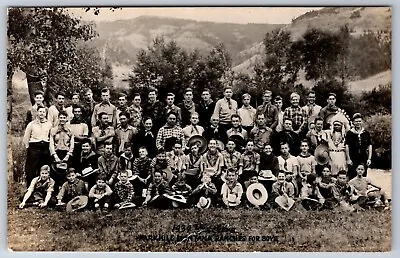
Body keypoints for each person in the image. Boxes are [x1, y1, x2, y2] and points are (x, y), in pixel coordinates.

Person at [23, 105, 52, 187]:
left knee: (44, 168)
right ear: (37, 113)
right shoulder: (31, 124)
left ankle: (44, 188)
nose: (42, 113)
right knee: (31, 169)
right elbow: (26, 137)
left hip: (45, 148)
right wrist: (28, 148)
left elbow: (51, 136)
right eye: (40, 111)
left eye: (43, 112)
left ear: (46, 113)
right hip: (34, 148)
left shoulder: (49, 124)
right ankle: (30, 188)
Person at [49, 110, 75, 192]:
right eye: (61, 118)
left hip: (66, 154)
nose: (62, 119)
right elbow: (51, 143)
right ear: (58, 118)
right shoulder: (53, 130)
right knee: (55, 174)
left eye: (64, 118)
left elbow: (72, 144)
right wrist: (55, 155)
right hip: (57, 153)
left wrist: (68, 155)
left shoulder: (70, 130)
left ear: (67, 119)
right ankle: (56, 193)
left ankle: (67, 193)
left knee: (67, 174)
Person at [345, 113, 372, 179]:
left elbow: (369, 145)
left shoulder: (366, 133)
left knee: (363, 176)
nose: (358, 123)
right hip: (353, 158)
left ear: (362, 121)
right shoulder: (349, 133)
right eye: (356, 121)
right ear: (353, 122)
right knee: (352, 176)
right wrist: (348, 159)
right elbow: (347, 146)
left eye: (359, 121)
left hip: (363, 158)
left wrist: (369, 158)